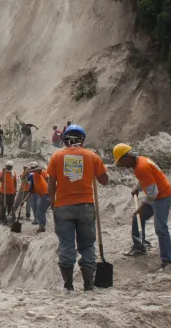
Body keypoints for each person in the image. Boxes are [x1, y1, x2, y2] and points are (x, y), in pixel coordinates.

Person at [47, 124, 108, 292]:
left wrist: (52, 202)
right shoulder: (91, 155)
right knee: (87, 245)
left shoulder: (57, 156)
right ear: (82, 139)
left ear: (65, 139)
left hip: (63, 207)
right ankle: (88, 285)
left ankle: (68, 285)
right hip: (86, 206)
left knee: (66, 244)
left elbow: (51, 183)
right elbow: (104, 180)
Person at [113, 144, 171, 269]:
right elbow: (146, 180)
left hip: (162, 197)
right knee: (137, 217)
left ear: (128, 157)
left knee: (161, 229)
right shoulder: (140, 162)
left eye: (122, 162)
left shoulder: (141, 167)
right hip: (158, 195)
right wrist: (137, 188)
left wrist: (142, 206)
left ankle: (167, 261)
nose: (123, 166)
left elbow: (153, 193)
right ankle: (139, 247)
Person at [27, 163, 50, 232]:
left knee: (40, 211)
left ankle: (42, 226)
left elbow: (39, 169)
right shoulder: (33, 184)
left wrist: (30, 171)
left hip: (47, 195)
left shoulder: (37, 174)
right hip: (44, 195)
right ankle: (42, 225)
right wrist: (23, 201)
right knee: (40, 211)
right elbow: (30, 192)